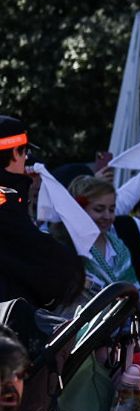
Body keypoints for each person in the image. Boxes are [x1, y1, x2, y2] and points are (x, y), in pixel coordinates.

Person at [0, 114, 84, 309]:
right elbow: (41, 255)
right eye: (25, 152)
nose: (27, 159)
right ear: (15, 153)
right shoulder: (6, 200)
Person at [61, 175, 140, 309]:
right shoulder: (64, 248)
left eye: (111, 209)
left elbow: (136, 298)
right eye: (98, 209)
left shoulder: (118, 247)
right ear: (79, 210)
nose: (107, 216)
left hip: (121, 326)